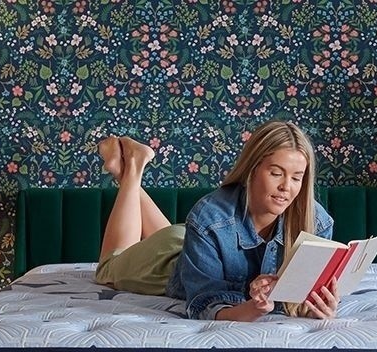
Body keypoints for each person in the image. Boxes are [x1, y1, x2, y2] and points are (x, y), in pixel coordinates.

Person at [93, 121, 337, 320]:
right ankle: (131, 168)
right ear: (252, 169)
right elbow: (204, 303)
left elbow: (302, 295)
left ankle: (124, 168)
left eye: (297, 178)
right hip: (168, 260)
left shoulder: (315, 221)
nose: (286, 187)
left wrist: (319, 304)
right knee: (107, 268)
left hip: (194, 239)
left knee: (195, 233)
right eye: (276, 173)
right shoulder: (210, 218)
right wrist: (252, 309)